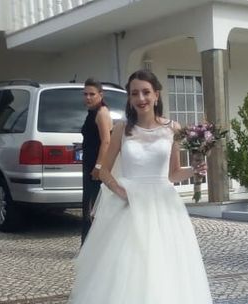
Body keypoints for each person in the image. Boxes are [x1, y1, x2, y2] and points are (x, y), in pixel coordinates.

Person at [68, 70, 212, 304]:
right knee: (127, 269)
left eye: (146, 92)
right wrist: (120, 190)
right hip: (128, 206)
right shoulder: (122, 128)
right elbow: (104, 170)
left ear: (156, 95)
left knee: (163, 268)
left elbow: (173, 174)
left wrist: (194, 170)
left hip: (163, 208)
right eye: (134, 93)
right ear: (129, 98)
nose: (141, 98)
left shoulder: (172, 128)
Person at [80, 78, 113, 243]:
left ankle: (92, 246)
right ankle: (88, 246)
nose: (88, 97)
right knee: (87, 205)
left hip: (96, 168)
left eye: (92, 94)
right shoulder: (92, 112)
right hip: (89, 163)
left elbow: (106, 141)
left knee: (92, 208)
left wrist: (98, 167)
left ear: (101, 94)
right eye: (85, 94)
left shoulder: (102, 113)